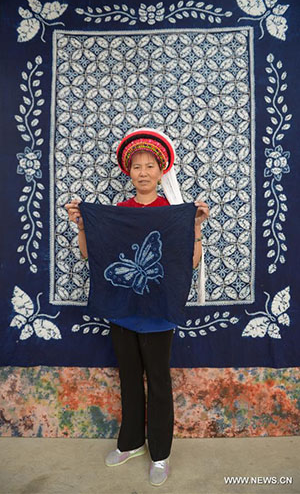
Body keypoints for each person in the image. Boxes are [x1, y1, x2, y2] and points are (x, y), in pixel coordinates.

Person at [65, 128, 209, 487]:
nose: (143, 172)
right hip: (123, 310)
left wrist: (195, 228)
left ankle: (160, 454)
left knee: (158, 382)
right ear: (128, 173)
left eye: (150, 166)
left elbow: (190, 263)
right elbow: (89, 254)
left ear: (162, 172)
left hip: (159, 313)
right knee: (129, 379)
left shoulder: (174, 212)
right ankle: (131, 442)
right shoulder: (118, 214)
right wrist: (84, 225)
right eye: (136, 166)